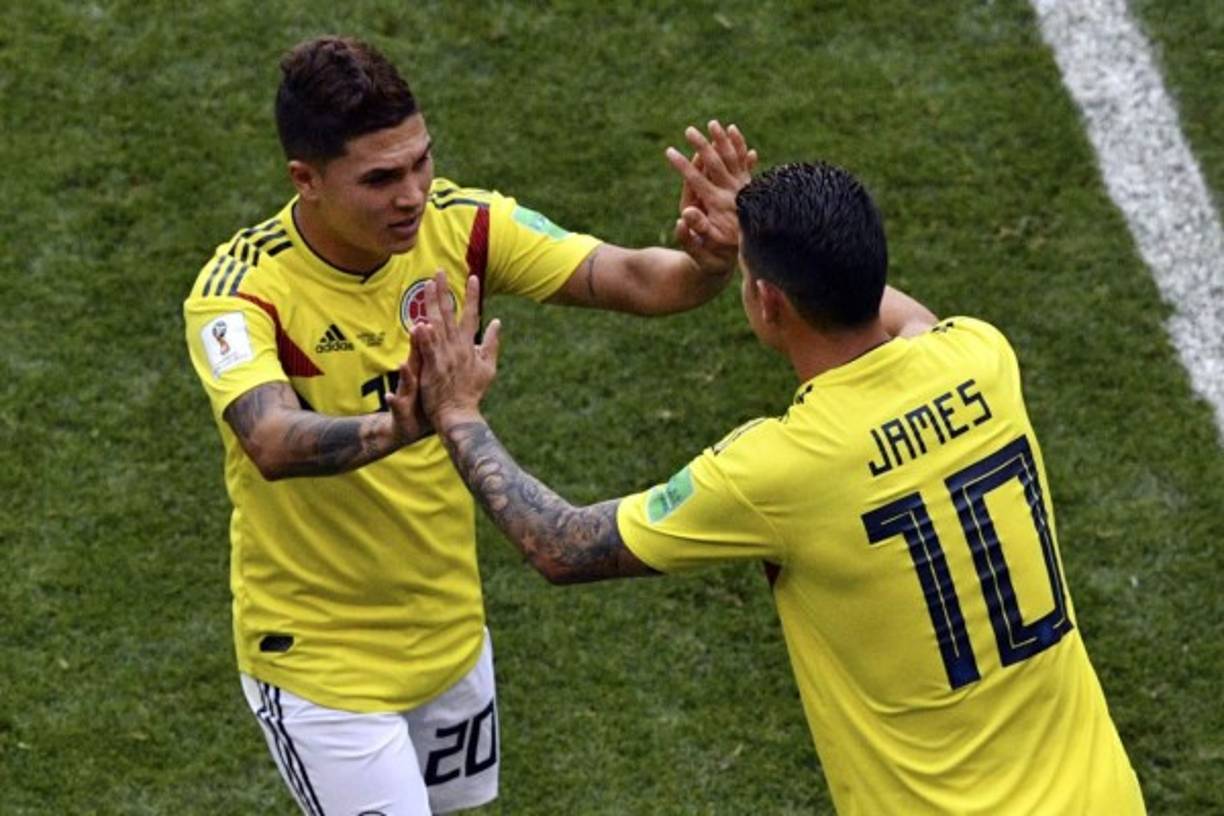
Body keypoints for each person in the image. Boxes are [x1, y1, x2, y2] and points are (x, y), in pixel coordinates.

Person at [402, 161, 1148, 814]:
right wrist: (771, 234)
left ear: (768, 304)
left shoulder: (777, 470)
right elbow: (900, 314)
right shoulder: (981, 356)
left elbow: (562, 544)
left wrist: (458, 412)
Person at [182, 35, 754, 815]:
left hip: (451, 646)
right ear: (305, 180)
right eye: (381, 177)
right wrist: (402, 425)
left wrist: (711, 262)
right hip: (321, 668)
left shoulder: (463, 227)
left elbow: (632, 278)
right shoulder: (241, 291)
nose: (412, 193)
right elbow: (270, 440)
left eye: (421, 161)